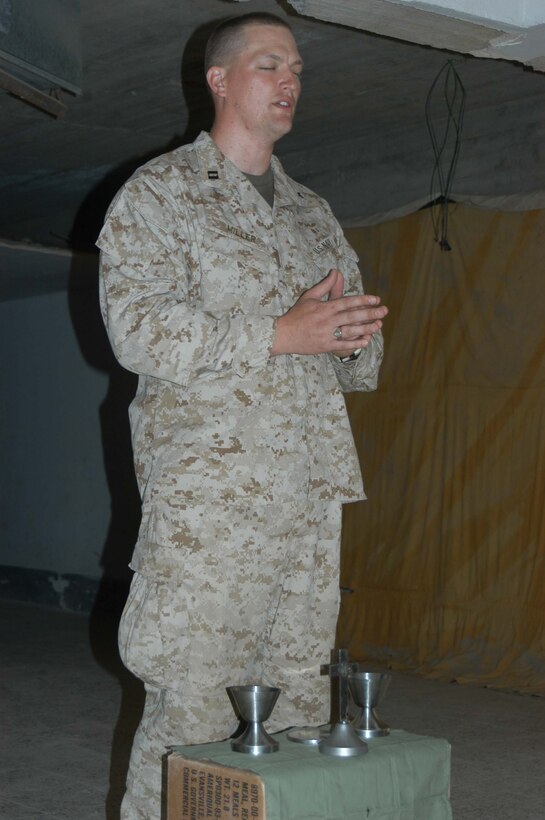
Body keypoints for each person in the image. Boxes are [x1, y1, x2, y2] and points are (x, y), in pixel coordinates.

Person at [97, 11, 387, 819]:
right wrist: (280, 332)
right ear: (218, 81)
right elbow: (139, 331)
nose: (289, 80)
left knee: (294, 712)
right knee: (190, 712)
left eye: (296, 68)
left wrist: (350, 338)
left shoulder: (311, 214)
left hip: (307, 493)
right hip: (210, 504)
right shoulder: (161, 194)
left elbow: (358, 369)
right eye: (269, 64)